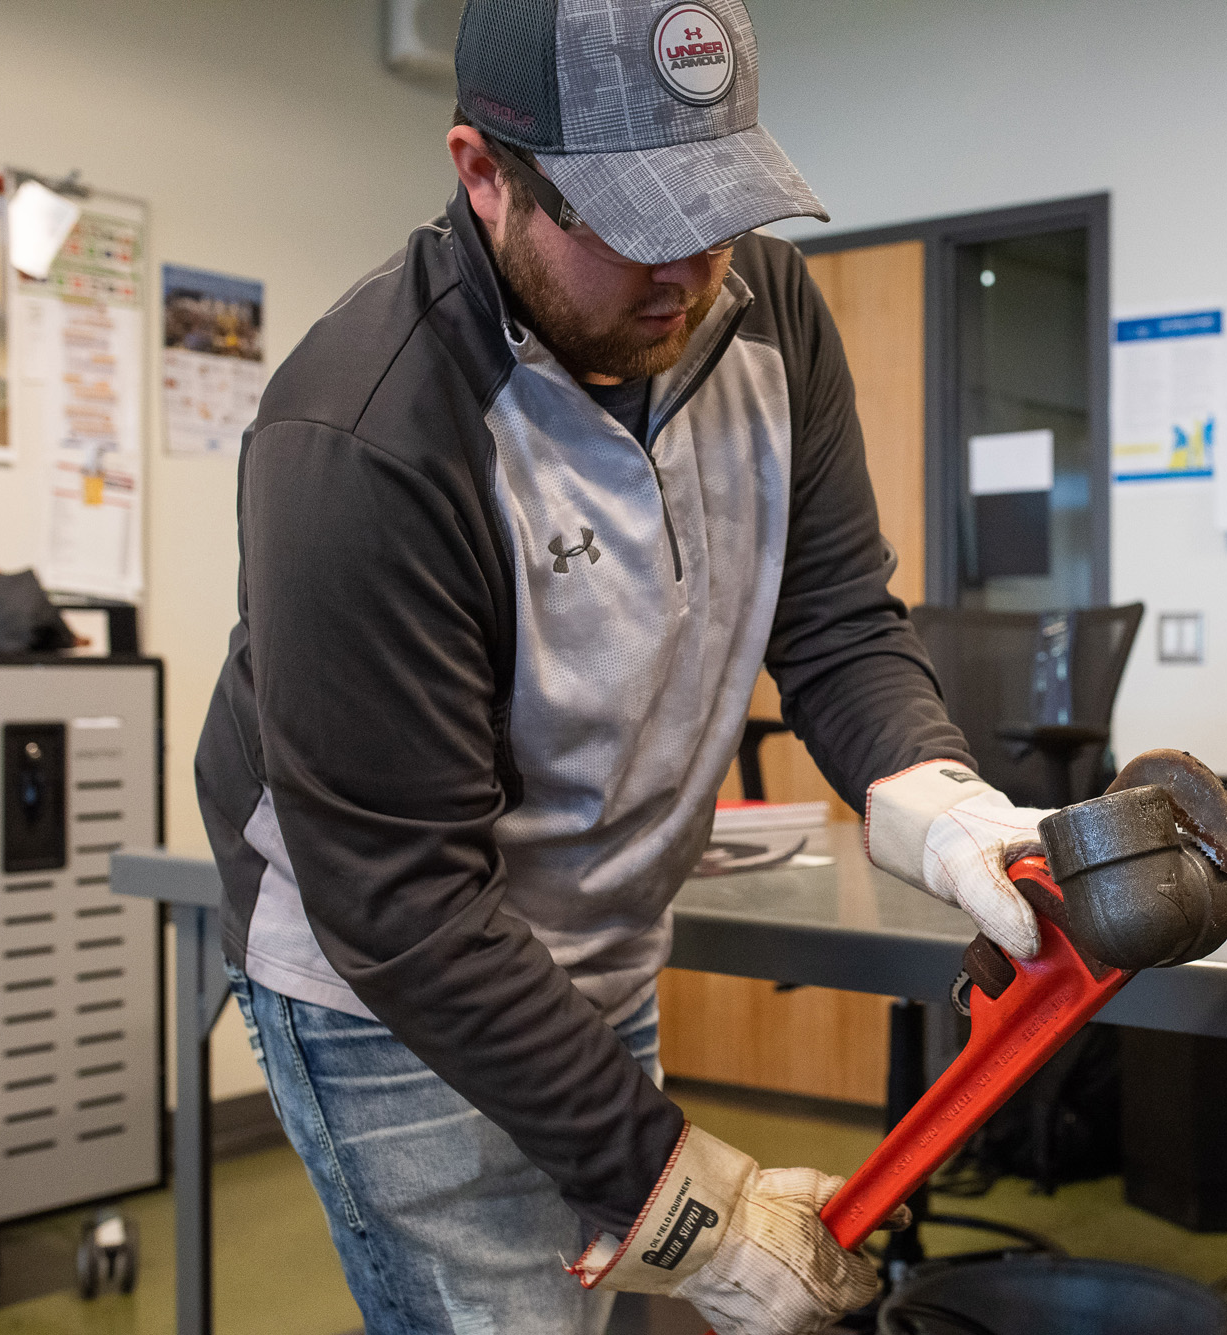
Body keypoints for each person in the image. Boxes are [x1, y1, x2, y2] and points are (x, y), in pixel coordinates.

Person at [193, 2, 1054, 1332]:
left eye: (716, 210)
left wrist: (936, 801)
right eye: (636, 224)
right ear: (484, 174)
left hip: (593, 941)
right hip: (387, 979)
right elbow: (405, 907)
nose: (692, 270)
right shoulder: (363, 434)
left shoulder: (763, 307)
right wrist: (681, 1197)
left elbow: (833, 615)